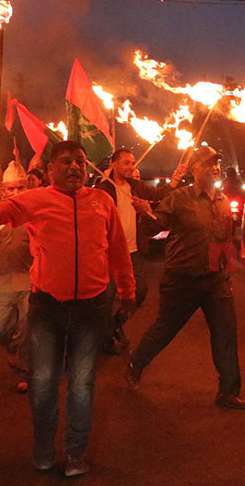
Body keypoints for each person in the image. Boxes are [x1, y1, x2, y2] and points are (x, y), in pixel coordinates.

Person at [0, 141, 136, 476]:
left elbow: (117, 250)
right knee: (43, 382)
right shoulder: (34, 200)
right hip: (47, 308)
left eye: (80, 162)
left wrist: (128, 292)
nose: (75, 167)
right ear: (49, 171)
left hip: (92, 308)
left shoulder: (102, 202)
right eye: (65, 162)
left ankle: (75, 453)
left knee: (82, 383)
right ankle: (44, 447)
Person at [125, 146, 245, 410]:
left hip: (216, 281)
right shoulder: (179, 198)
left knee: (225, 335)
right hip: (183, 279)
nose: (214, 168)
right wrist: (145, 212)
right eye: (207, 164)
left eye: (216, 163)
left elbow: (225, 239)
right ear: (194, 169)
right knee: (164, 330)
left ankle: (228, 391)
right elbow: (155, 227)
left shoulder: (223, 201)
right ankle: (136, 362)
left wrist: (227, 273)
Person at [94, 148, 163, 353]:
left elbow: (159, 194)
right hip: (109, 253)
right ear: (114, 165)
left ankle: (116, 325)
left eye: (133, 163)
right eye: (126, 163)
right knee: (106, 297)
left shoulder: (136, 186)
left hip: (133, 251)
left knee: (138, 293)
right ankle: (105, 339)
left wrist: (176, 178)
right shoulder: (103, 189)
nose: (131, 167)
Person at [0, 161, 32, 394]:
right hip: (1, 282)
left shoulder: (36, 212)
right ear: (2, 190)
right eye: (11, 189)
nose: (16, 193)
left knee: (30, 328)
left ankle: (27, 371)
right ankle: (12, 347)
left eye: (20, 188)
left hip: (31, 281)